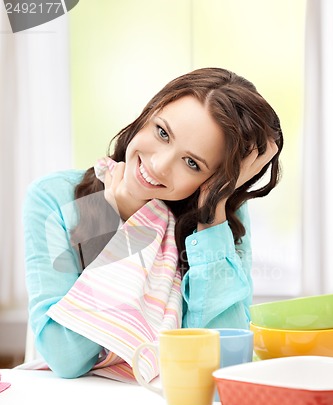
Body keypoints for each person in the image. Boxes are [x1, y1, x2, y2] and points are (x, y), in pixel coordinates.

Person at [23, 67, 283, 378]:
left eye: (192, 163)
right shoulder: (55, 198)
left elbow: (220, 358)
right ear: (150, 112)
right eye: (162, 132)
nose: (158, 166)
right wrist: (124, 230)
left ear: (213, 180)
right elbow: (66, 356)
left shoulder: (221, 221)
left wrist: (212, 216)